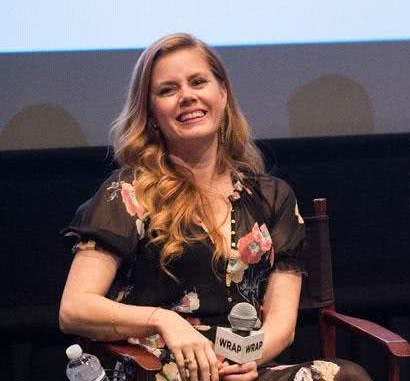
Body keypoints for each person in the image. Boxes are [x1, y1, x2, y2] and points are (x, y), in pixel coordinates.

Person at [59, 33, 371, 381]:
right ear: (150, 113)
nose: (187, 96)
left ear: (222, 94)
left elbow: (281, 326)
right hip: (157, 366)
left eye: (198, 82)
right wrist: (164, 321)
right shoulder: (130, 191)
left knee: (347, 376)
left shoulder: (272, 197)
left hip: (243, 367)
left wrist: (245, 362)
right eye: (168, 90)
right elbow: (74, 308)